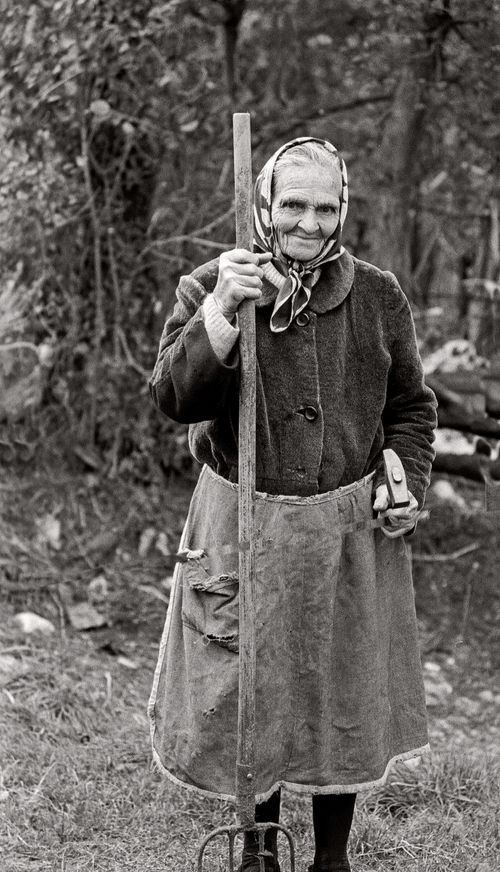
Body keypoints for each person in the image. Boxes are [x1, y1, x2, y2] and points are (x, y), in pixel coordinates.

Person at [148, 137, 437, 872]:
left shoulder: (377, 295)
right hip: (242, 520)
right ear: (263, 208)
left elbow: (412, 405)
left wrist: (403, 473)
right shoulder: (212, 283)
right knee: (254, 680)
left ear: (342, 211)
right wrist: (221, 309)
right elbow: (175, 399)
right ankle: (257, 852)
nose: (309, 222)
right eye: (293, 205)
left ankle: (332, 859)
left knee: (340, 683)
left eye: (325, 207)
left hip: (344, 527)